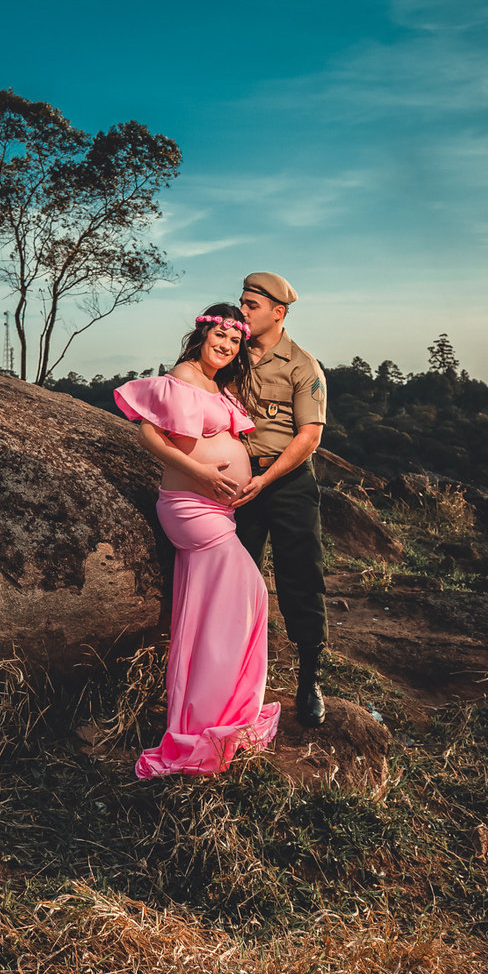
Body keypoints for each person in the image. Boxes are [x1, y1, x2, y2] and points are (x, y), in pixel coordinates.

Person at [114, 306, 281, 780]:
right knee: (247, 594)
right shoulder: (184, 374)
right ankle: (208, 718)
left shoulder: (219, 388)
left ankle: (217, 712)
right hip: (189, 507)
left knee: (225, 607)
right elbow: (150, 435)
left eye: (234, 340)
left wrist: (241, 479)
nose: (225, 345)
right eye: (219, 335)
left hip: (217, 511)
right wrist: (204, 472)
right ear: (202, 334)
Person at [231, 272, 329, 730]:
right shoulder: (229, 354)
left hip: (286, 482)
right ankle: (234, 679)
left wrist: (266, 478)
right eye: (242, 303)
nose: (243, 311)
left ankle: (308, 682)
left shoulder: (302, 365)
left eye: (252, 305)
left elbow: (309, 436)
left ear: (278, 312)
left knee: (300, 580)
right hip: (237, 480)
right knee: (236, 581)